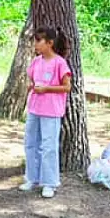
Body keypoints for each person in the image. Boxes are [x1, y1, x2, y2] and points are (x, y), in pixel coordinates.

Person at [19, 27, 73, 199]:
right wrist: (32, 87)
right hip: (35, 108)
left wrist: (47, 88)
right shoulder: (36, 62)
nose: (35, 44)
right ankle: (31, 177)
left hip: (51, 110)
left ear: (49, 43)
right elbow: (33, 80)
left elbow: (67, 86)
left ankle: (49, 182)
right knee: (31, 142)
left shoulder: (59, 63)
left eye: (38, 41)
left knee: (48, 146)